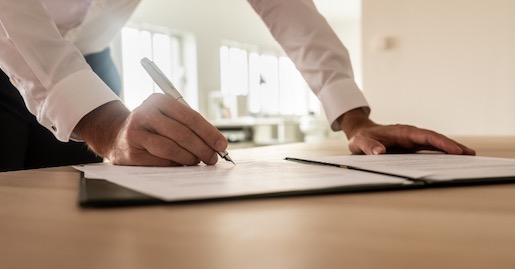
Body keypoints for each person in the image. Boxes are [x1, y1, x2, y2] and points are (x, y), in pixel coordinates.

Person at [0, 0, 475, 172]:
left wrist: (354, 117)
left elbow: (288, 8)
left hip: (93, 61)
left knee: (77, 205)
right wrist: (103, 124)